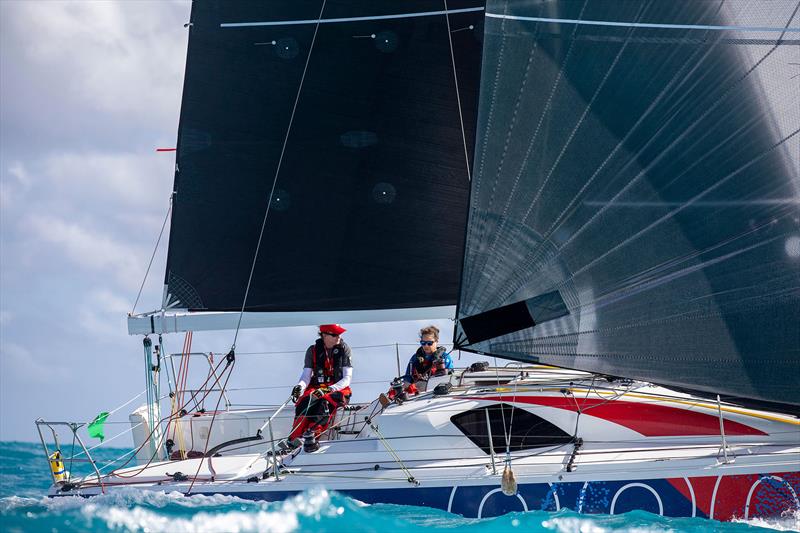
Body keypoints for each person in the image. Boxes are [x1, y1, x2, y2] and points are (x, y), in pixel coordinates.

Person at [285, 324, 353, 452]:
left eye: (338, 334)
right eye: (334, 334)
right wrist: (299, 387)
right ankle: (294, 438)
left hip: (338, 389)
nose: (338, 337)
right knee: (305, 401)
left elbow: (347, 379)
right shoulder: (312, 351)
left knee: (324, 403)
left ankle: (311, 436)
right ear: (324, 335)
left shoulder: (345, 349)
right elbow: (306, 376)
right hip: (317, 387)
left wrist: (329, 389)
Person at [400, 325, 453, 395]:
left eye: (429, 343)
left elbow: (449, 375)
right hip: (416, 391)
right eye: (423, 343)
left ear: (436, 342)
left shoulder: (445, 357)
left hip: (437, 389)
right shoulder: (415, 358)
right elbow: (408, 377)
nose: (426, 346)